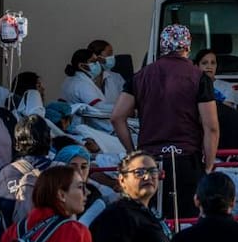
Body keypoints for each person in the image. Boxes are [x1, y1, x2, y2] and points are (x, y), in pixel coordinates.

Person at [112, 24, 219, 223]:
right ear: (187, 47)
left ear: (162, 46)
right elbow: (211, 126)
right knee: (186, 222)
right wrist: (209, 166)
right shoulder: (199, 78)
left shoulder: (140, 76)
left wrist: (132, 152)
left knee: (149, 222)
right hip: (186, 159)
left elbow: (117, 117)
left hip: (148, 160)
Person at [0, 114, 55, 229]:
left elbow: (1, 213)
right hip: (50, 241)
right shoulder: (61, 171)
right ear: (48, 139)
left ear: (17, 141)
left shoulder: (5, 173)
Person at [61, 48, 116, 129]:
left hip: (78, 125)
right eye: (93, 62)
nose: (97, 64)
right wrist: (124, 108)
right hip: (86, 127)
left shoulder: (71, 79)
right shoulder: (81, 84)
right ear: (81, 65)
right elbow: (99, 107)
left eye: (97, 61)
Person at [87, 39, 126, 105]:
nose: (112, 57)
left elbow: (125, 100)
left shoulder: (116, 77)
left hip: (114, 114)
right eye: (109, 54)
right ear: (96, 56)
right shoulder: (85, 78)